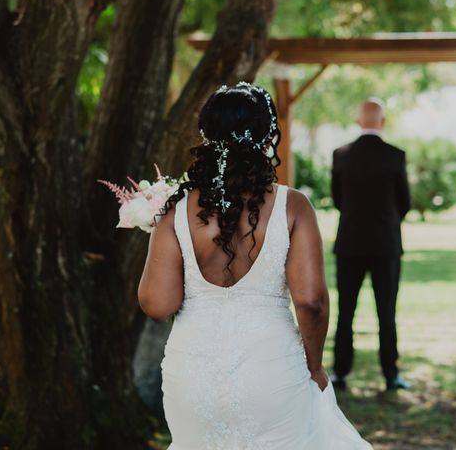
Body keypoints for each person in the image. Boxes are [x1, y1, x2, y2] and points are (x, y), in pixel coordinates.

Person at [137, 82, 371, 449]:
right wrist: (313, 366)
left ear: (206, 135)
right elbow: (311, 301)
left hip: (193, 374)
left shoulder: (176, 212)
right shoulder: (292, 207)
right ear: (267, 136)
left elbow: (157, 303)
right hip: (272, 368)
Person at [330, 97, 412, 392]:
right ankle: (390, 374)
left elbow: (338, 200)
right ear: (383, 122)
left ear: (358, 121)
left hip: (349, 243)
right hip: (385, 246)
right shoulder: (395, 156)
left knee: (345, 311)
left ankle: (340, 372)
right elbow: (405, 203)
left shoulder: (341, 155)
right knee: (386, 312)